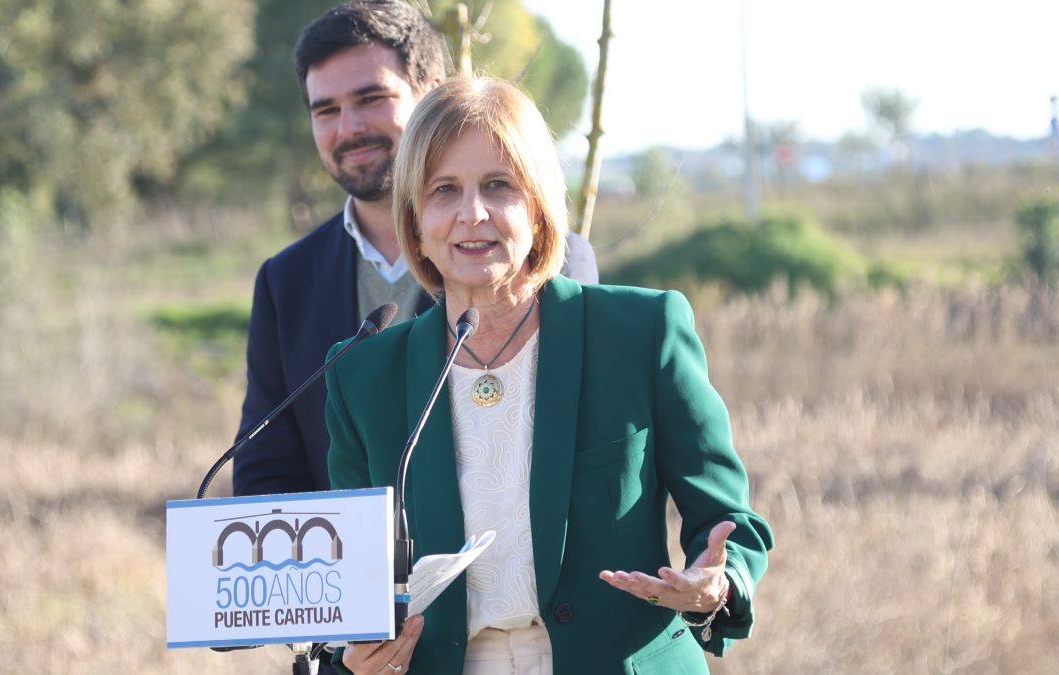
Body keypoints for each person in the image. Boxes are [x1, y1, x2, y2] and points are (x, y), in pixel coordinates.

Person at [324, 77, 774, 675]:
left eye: (498, 186)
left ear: (538, 205)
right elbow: (351, 581)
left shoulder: (641, 331)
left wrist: (714, 585)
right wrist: (356, 657)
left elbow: (730, 523)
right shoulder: (363, 375)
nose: (471, 213)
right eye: (444, 190)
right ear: (416, 218)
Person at [232, 0, 598, 500]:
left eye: (371, 99)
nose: (349, 128)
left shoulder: (545, 260)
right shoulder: (285, 281)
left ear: (432, 97)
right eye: (327, 110)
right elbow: (266, 470)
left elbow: (575, 445)